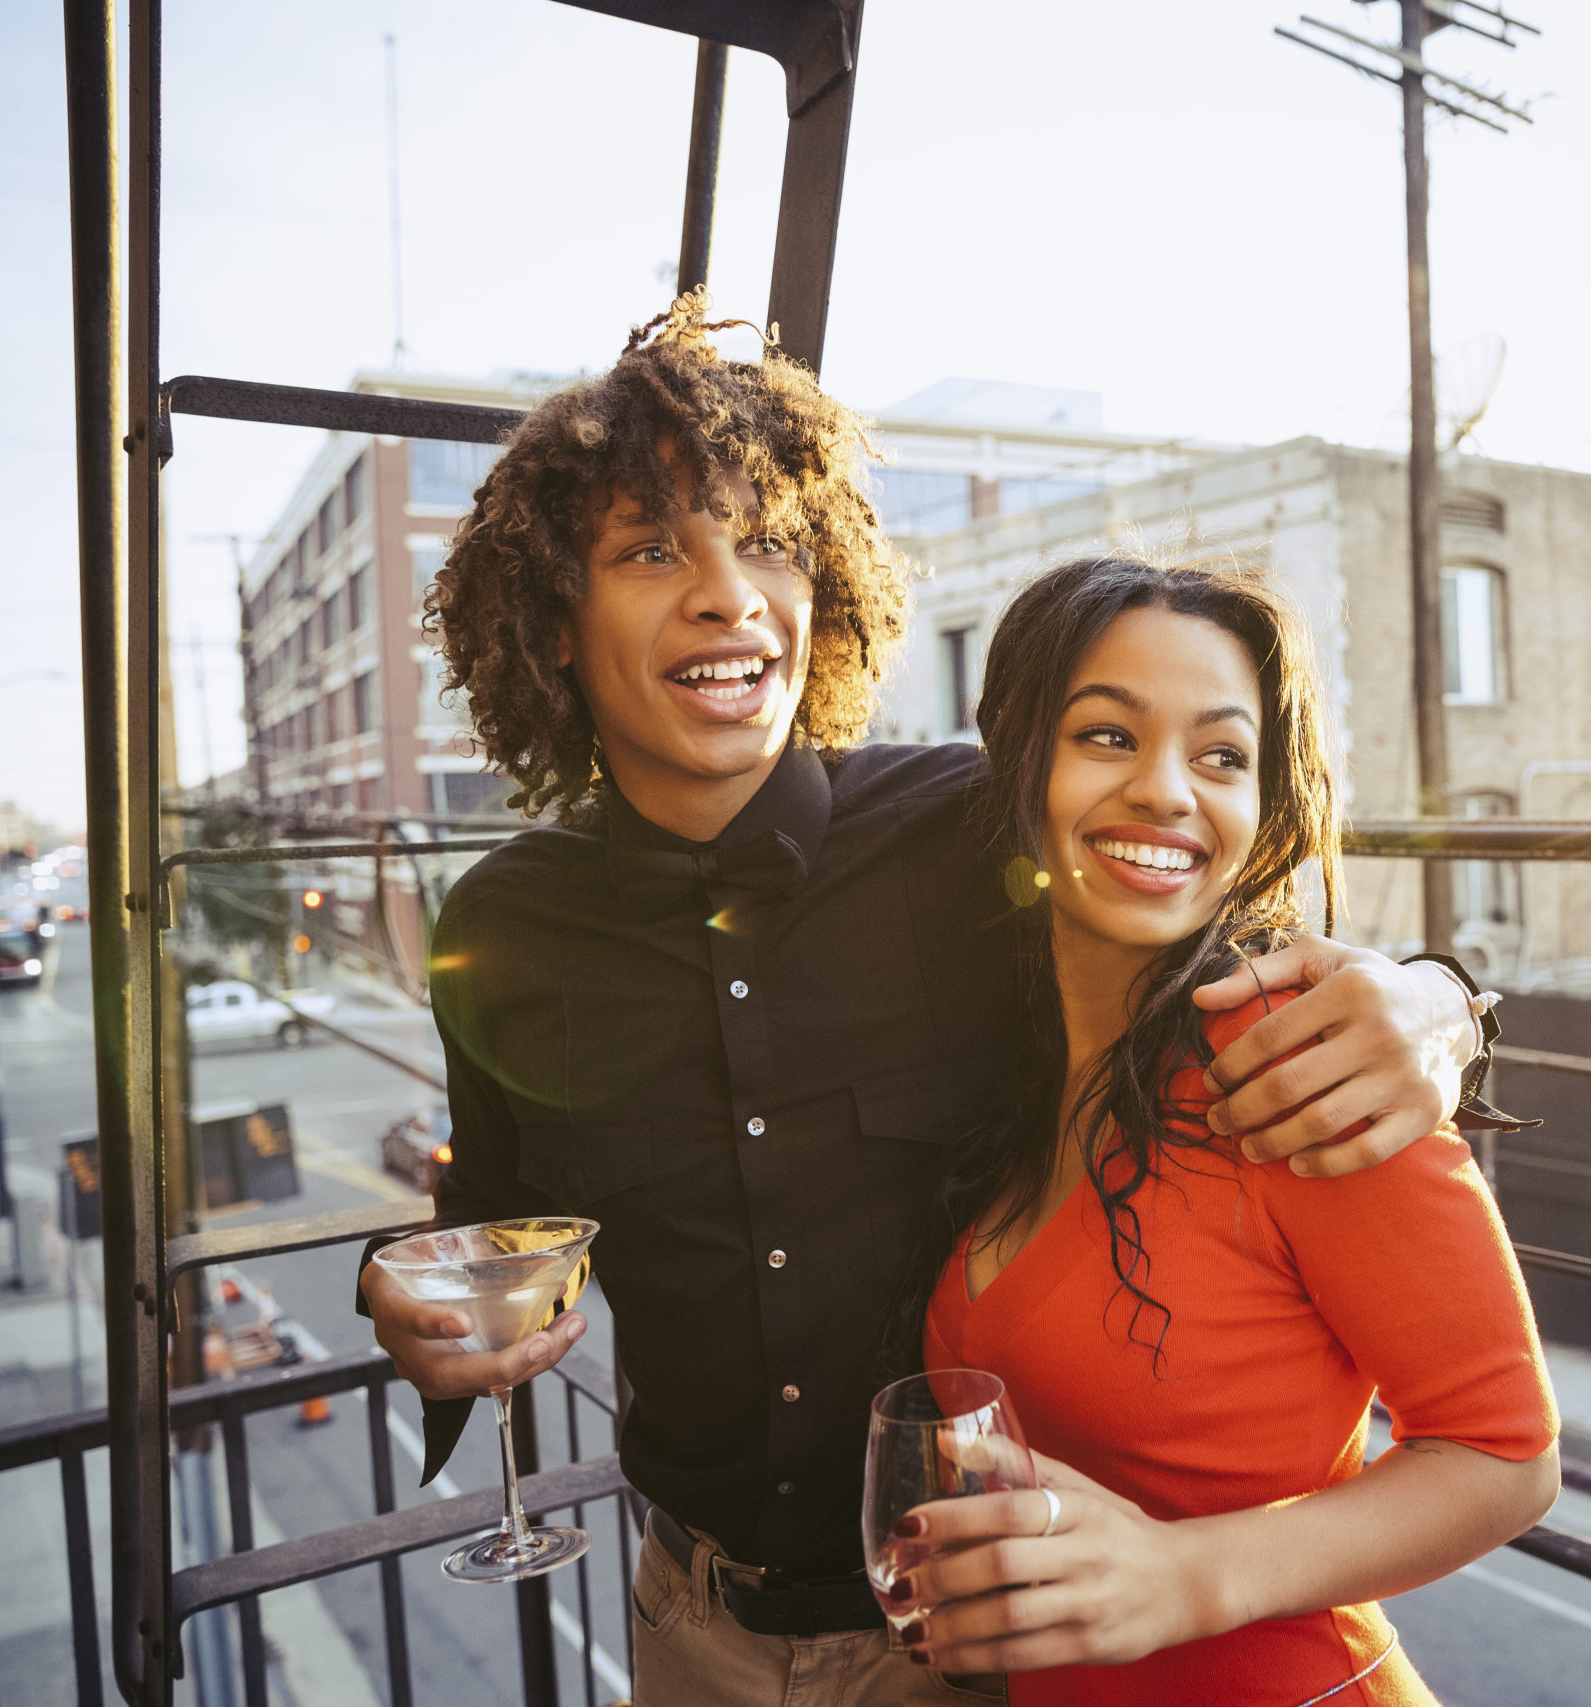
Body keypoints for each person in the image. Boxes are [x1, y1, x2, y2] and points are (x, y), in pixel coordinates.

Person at [354, 299, 1497, 1707]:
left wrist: (1444, 998)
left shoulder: (983, 830)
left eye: (767, 540)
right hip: (685, 1621)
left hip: (964, 1640)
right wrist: (404, 1298)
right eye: (653, 550)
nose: (727, 593)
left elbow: (1225, 923)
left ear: (821, 581)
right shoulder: (500, 927)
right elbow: (503, 1220)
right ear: (555, 618)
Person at [896, 555, 1560, 1704]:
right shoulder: (1009, 1050)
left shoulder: (1299, 1060)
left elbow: (1506, 1459)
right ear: (1019, 764)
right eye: (1107, 736)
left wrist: (1184, 1578)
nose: (1165, 790)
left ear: (1262, 814)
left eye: (1220, 756)